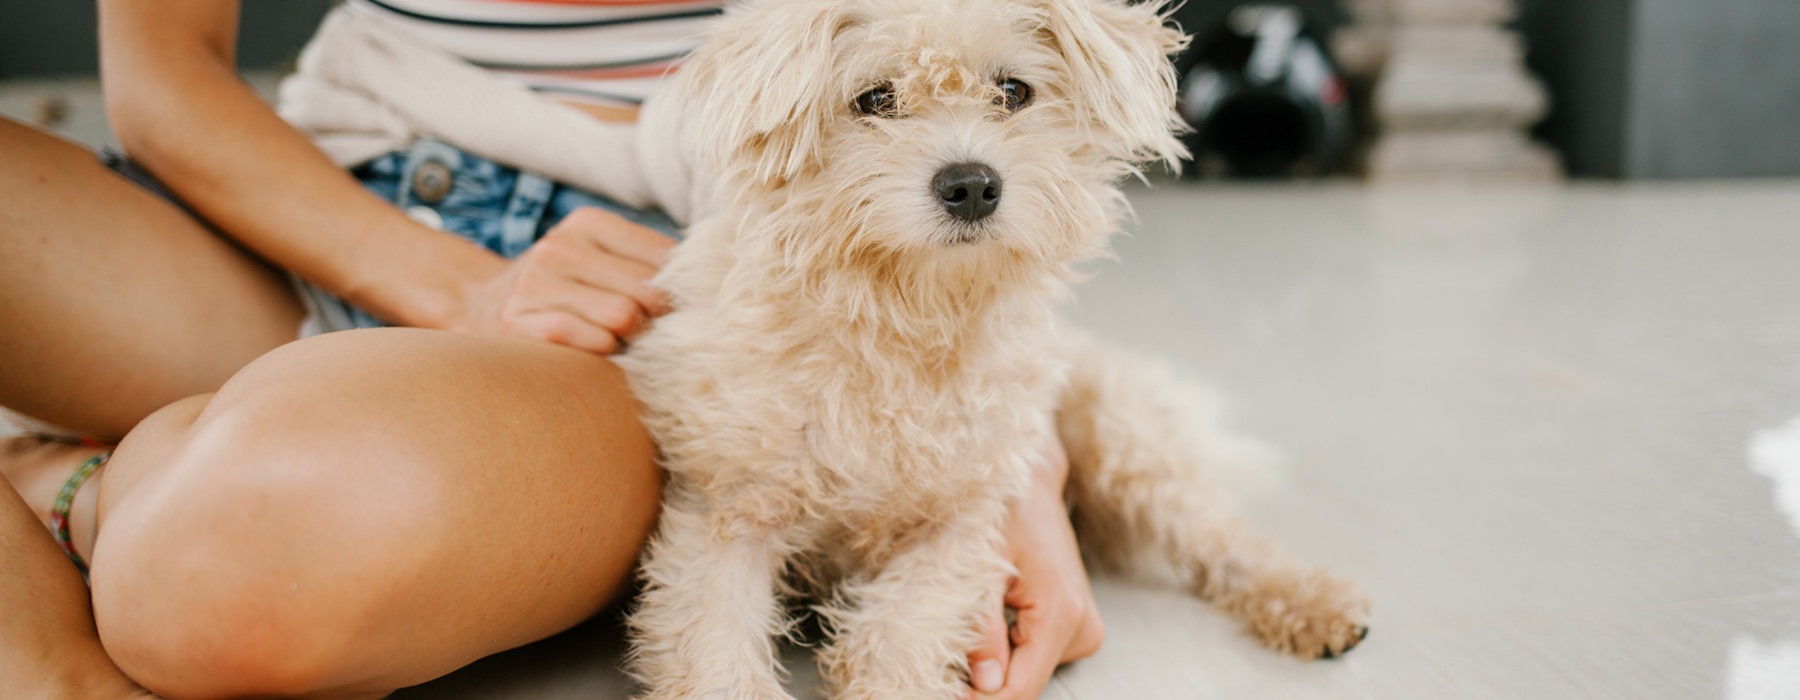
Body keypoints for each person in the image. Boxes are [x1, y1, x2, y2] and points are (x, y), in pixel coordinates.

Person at [0, 1, 1103, 697]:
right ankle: (55, 660)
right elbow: (161, 73)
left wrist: (1007, 457)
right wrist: (457, 285)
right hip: (319, 201)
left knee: (217, 583)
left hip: (682, 288)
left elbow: (1002, 96)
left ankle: (73, 479)